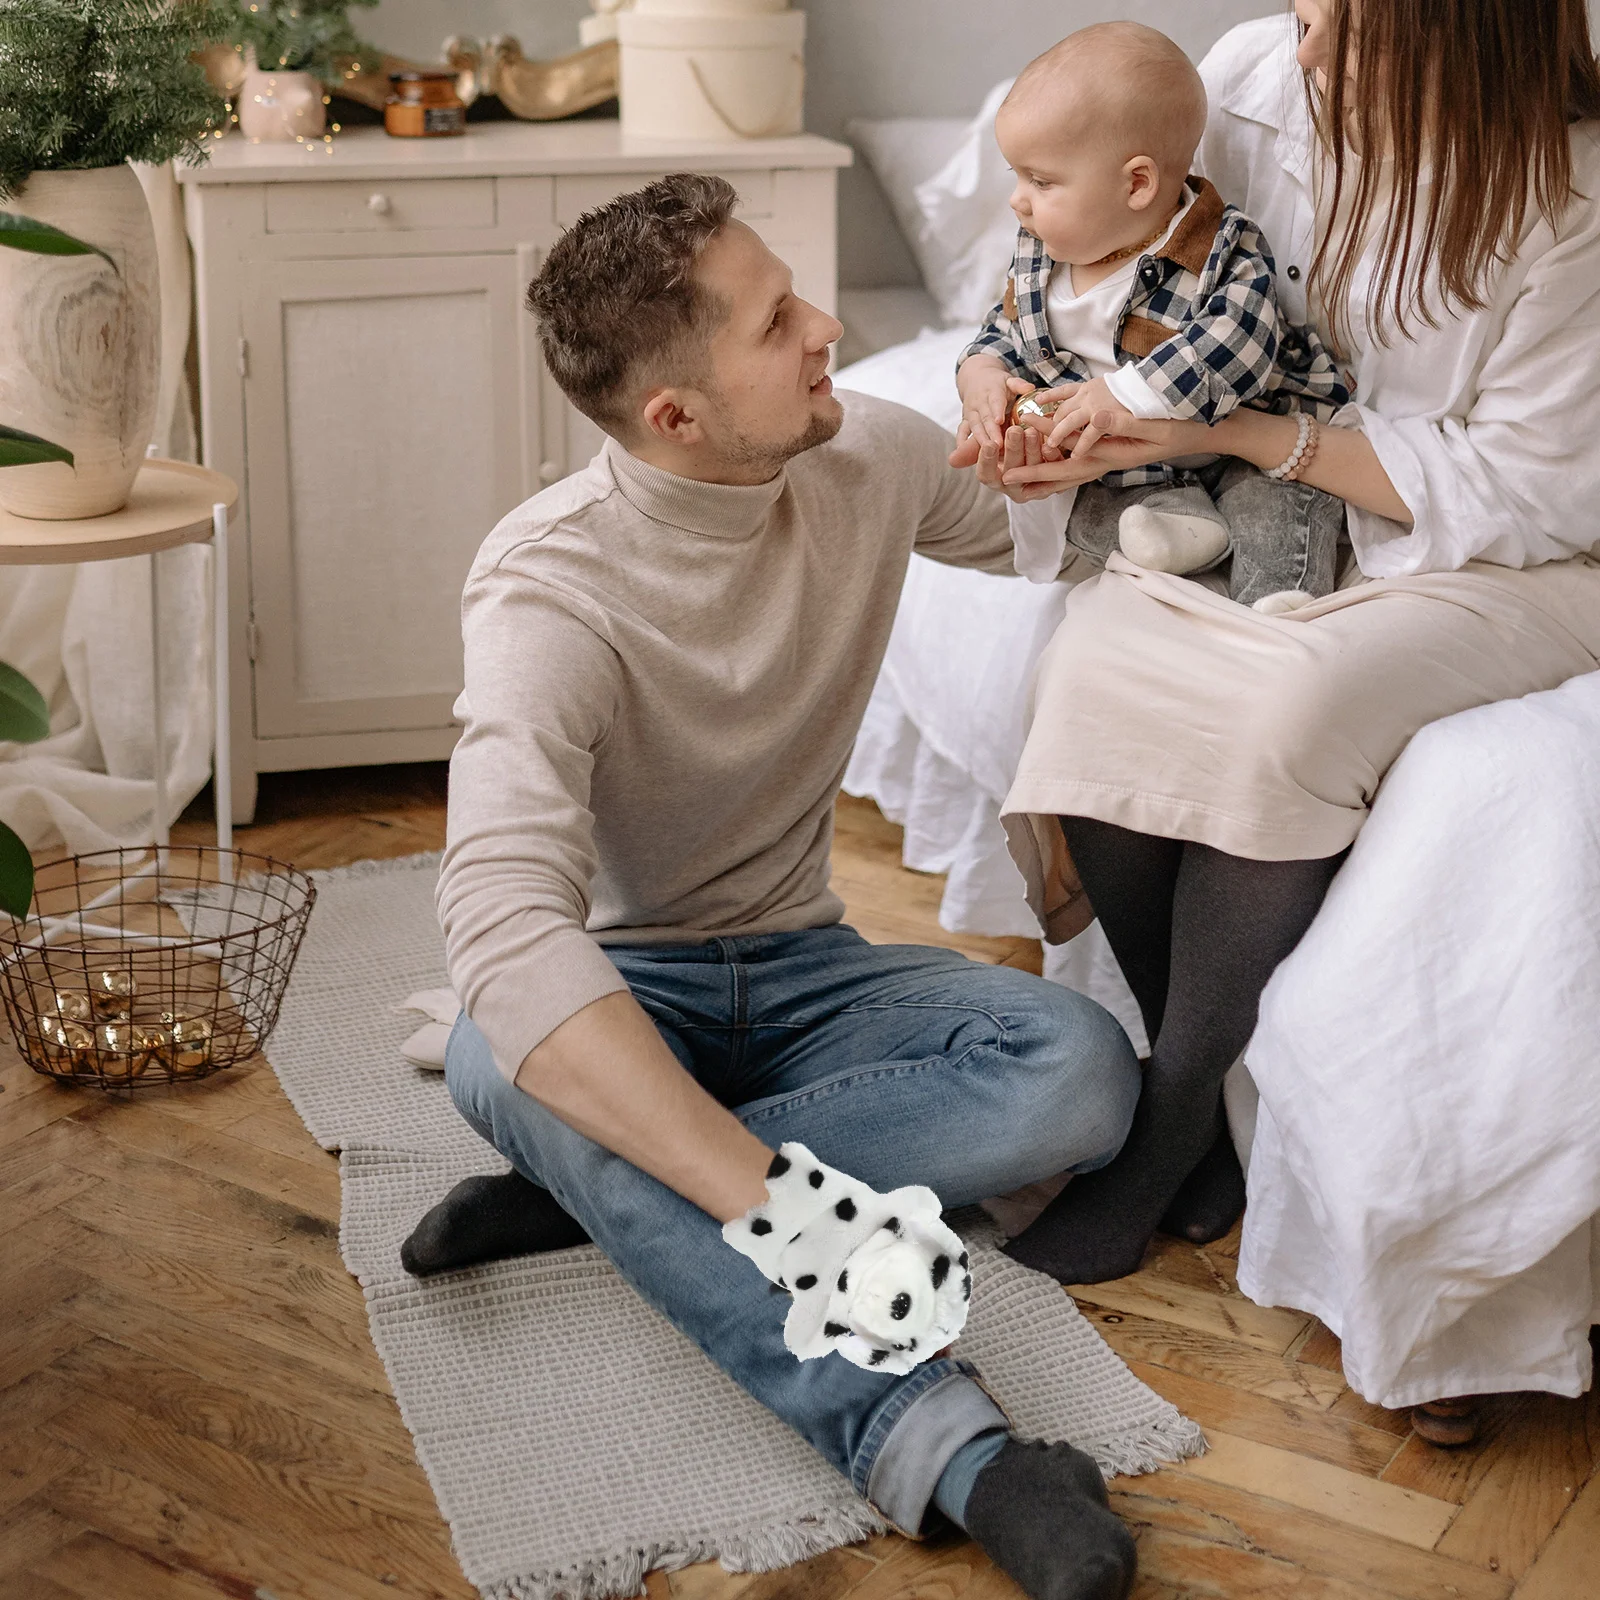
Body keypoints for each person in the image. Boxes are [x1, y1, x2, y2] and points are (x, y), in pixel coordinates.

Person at [408, 173, 1144, 1599]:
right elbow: (501, 922)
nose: (830, 327)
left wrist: (1105, 428)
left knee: (1080, 1073)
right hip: (632, 988)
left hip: (809, 966)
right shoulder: (548, 591)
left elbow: (1065, 531)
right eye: (775, 322)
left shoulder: (864, 452)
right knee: (505, 1042)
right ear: (674, 417)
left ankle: (597, 1174)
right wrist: (792, 1219)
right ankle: (962, 1450)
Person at [959, 0, 1600, 1298]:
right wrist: (1018, 392)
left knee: (1289, 704)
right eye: (1309, 11)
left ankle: (1174, 1121)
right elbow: (1119, 264)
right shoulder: (1256, 79)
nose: (1305, 53)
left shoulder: (1570, 195)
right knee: (1088, 668)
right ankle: (1184, 1077)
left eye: (1349, 34)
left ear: (1466, 40)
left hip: (1498, 549)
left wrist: (1254, 437)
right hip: (1254, 501)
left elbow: (1533, 490)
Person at [955, 23, 1350, 614]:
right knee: (1070, 499)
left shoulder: (1219, 248)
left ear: (1137, 183)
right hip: (1130, 473)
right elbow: (1007, 326)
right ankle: (1176, 534)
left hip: (1245, 444)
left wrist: (1128, 394)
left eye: (1040, 180)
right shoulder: (1041, 254)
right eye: (1016, 175)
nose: (1018, 198)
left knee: (1274, 509)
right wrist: (983, 373)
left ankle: (1279, 602)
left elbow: (1238, 343)